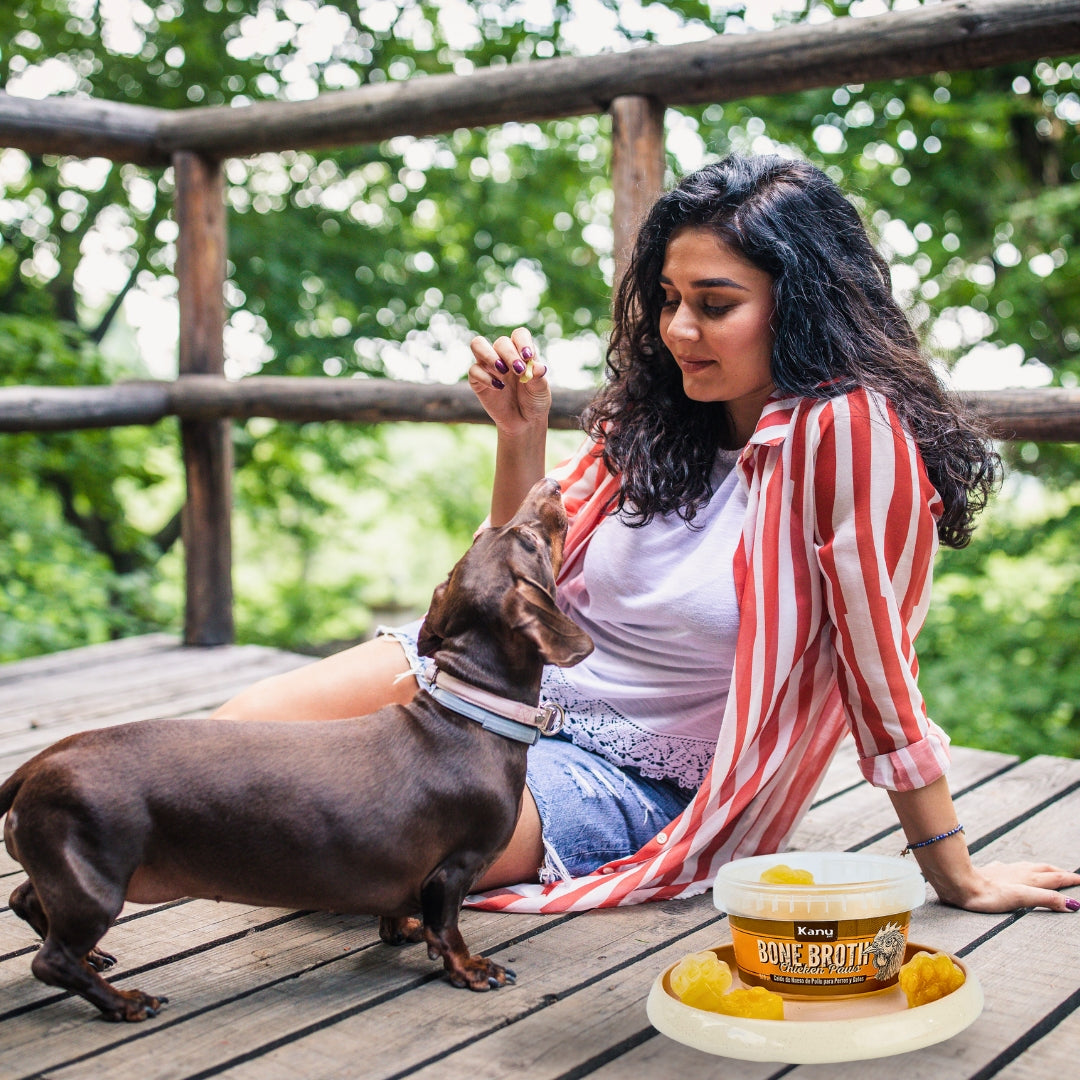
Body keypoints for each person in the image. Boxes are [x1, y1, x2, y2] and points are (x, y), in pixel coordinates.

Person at [214, 153, 1080, 916]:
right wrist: (520, 435)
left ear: (804, 306)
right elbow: (515, 578)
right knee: (226, 755)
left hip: (627, 773)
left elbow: (878, 668)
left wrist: (952, 873)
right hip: (503, 682)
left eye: (716, 304)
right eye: (668, 299)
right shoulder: (662, 413)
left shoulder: (847, 435)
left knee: (347, 843)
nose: (678, 330)